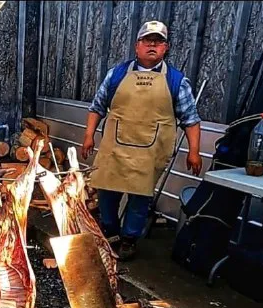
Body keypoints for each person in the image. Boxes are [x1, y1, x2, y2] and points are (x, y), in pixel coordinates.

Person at [82, 20, 202, 261]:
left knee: (140, 197)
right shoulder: (116, 74)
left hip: (150, 151)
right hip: (114, 148)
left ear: (165, 48)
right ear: (137, 45)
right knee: (107, 192)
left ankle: (129, 240)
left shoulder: (177, 81)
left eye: (158, 42)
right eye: (147, 40)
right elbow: (97, 107)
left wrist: (194, 151)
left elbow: (191, 119)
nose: (152, 46)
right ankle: (110, 233)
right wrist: (88, 135)